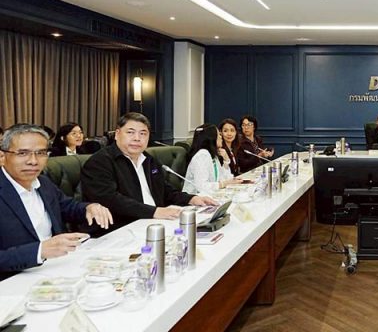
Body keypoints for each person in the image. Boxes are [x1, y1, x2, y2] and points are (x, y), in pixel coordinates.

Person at [0, 124, 112, 278]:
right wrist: (39, 251)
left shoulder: (43, 182)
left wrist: (89, 207)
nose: (33, 161)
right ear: (3, 156)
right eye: (23, 153)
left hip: (58, 269)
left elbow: (68, 206)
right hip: (13, 280)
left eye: (41, 153)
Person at [81, 112, 217, 231]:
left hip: (155, 223)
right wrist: (155, 212)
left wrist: (191, 199)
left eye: (143, 133)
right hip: (120, 229)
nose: (137, 138)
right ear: (117, 134)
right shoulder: (99, 162)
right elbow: (111, 200)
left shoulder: (148, 160)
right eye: (130, 132)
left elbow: (165, 190)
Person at [184, 124, 238, 195]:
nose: (221, 137)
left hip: (210, 195)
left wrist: (226, 160)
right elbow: (201, 187)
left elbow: (223, 178)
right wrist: (223, 184)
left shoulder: (213, 155)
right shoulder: (202, 155)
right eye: (219, 135)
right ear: (212, 138)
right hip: (195, 198)